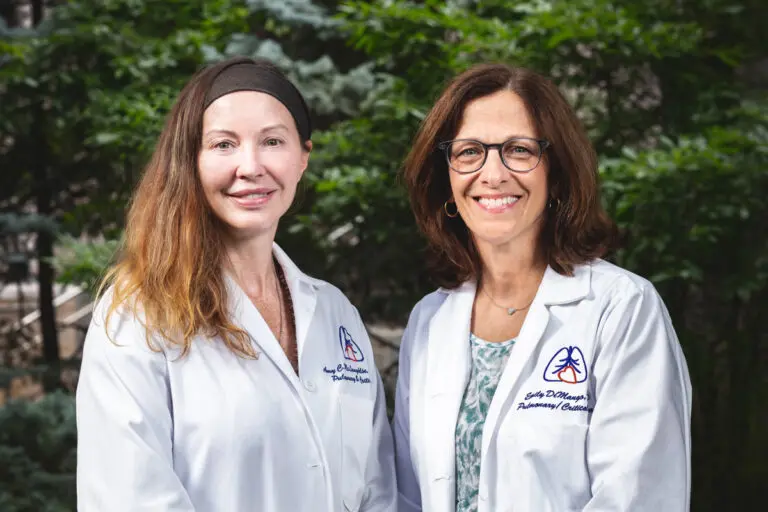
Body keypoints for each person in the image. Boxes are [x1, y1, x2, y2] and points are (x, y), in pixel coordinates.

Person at [75, 56, 397, 512]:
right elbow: (130, 497)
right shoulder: (138, 312)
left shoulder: (335, 312)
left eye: (272, 141)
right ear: (192, 160)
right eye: (224, 144)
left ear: (303, 156)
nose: (250, 166)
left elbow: (376, 489)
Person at [393, 63, 692, 511]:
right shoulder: (428, 321)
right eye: (470, 151)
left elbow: (639, 497)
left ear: (556, 172)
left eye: (517, 150)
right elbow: (407, 495)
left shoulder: (621, 308)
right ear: (446, 178)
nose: (492, 174)